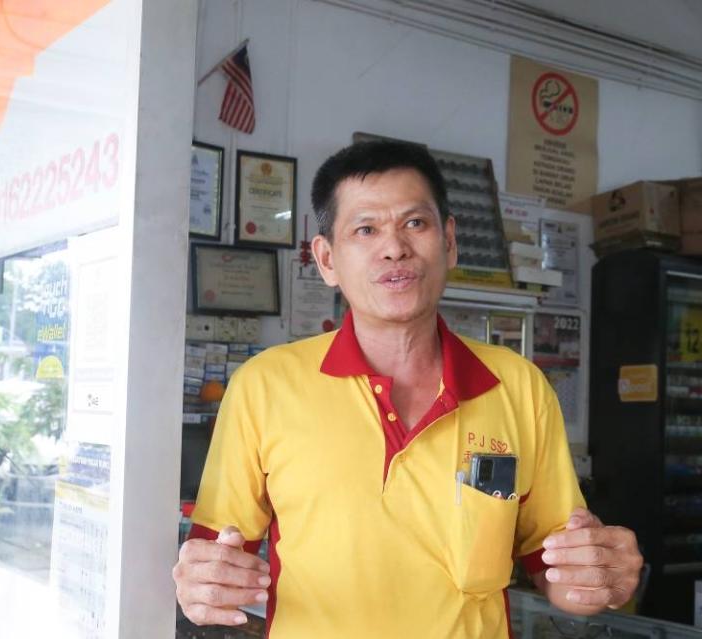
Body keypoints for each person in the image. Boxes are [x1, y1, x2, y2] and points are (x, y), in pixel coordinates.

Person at [173, 140, 642, 638]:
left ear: (450, 242)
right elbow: (216, 559)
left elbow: (555, 563)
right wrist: (201, 584)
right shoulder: (265, 386)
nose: (394, 247)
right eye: (366, 229)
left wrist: (600, 575)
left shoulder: (517, 386)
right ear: (327, 259)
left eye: (415, 223)